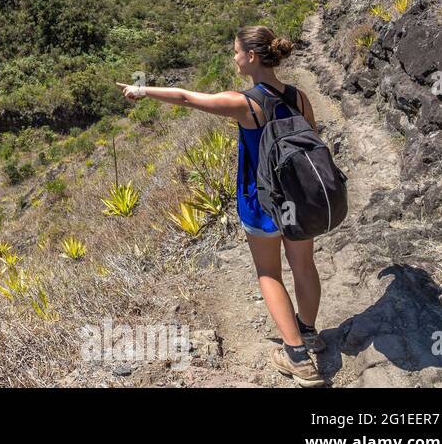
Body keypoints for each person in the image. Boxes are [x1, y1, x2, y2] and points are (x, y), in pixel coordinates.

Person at [117, 26, 326, 387]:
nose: (233, 57)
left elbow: (185, 97)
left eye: (236, 51)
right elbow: (312, 138)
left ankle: (297, 357)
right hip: (298, 198)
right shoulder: (299, 97)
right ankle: (307, 332)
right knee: (304, 265)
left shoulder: (245, 103)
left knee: (269, 274)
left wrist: (141, 90)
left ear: (252, 56)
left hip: (260, 202)